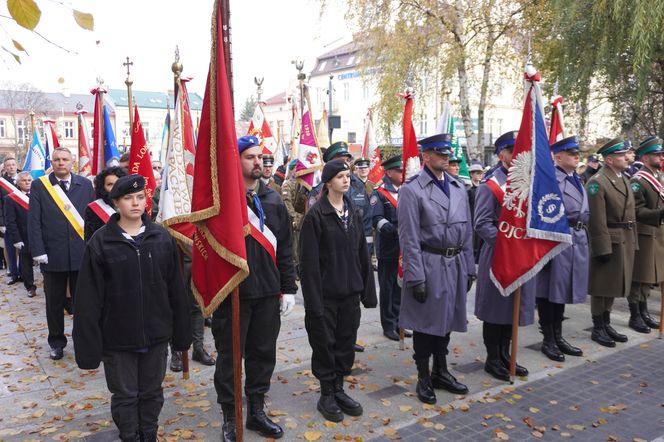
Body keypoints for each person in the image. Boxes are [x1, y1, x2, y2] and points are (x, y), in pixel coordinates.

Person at [73, 175, 192, 442]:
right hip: (118, 339)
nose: (135, 203)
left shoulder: (161, 238)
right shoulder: (101, 243)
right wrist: (89, 345)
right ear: (116, 202)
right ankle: (130, 435)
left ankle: (148, 434)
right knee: (125, 396)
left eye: (140, 197)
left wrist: (182, 334)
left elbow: (175, 290)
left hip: (156, 334)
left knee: (152, 393)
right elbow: (89, 299)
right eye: (128, 198)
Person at [212, 136, 297, 442]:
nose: (258, 162)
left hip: (266, 294)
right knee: (230, 358)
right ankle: (230, 415)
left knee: (263, 355)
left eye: (260, 157)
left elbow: (285, 247)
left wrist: (288, 288)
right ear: (235, 160)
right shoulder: (222, 201)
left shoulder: (273, 199)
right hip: (233, 294)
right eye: (249, 157)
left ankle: (256, 411)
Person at [300, 159, 377, 422]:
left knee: (345, 344)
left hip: (350, 294)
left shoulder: (353, 211)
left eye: (348, 175)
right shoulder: (316, 215)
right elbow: (308, 265)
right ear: (328, 181)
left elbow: (361, 255)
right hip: (325, 296)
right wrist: (313, 304)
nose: (346, 180)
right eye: (340, 176)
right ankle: (326, 394)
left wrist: (368, 291)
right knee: (325, 344)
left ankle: (339, 389)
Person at [398, 134, 473, 404]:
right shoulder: (412, 189)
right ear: (426, 156)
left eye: (448, 154)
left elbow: (467, 229)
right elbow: (409, 237)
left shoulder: (457, 187)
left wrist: (470, 267)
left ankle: (441, 371)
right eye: (440, 154)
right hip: (429, 264)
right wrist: (416, 276)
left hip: (454, 265)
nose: (446, 158)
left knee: (447, 321)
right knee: (425, 324)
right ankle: (423, 377)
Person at [474, 131, 536, 382]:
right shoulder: (491, 185)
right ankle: (493, 359)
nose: (518, 155)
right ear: (502, 155)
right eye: (512, 151)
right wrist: (507, 244)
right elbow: (481, 223)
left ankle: (506, 355)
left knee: (512, 308)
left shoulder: (528, 182)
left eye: (521, 151)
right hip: (498, 255)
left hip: (520, 256)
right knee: (496, 310)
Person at [28, 147, 95, 360]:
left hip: (80, 253)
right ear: (52, 162)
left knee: (83, 302)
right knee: (54, 303)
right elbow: (34, 221)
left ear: (72, 161)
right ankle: (56, 342)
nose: (60, 163)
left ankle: (84, 342)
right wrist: (38, 251)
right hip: (53, 253)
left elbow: (92, 219)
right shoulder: (40, 185)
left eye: (65, 159)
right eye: (56, 159)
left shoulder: (85, 185)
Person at [536, 136, 587, 361]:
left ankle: (558, 336)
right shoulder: (552, 180)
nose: (577, 156)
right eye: (571, 153)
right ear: (557, 157)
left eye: (577, 153)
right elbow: (543, 214)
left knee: (563, 290)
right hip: (557, 239)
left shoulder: (576, 179)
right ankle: (548, 339)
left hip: (576, 239)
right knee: (549, 293)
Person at [586, 138, 636, 347]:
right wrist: (602, 247)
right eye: (621, 155)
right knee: (601, 286)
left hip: (624, 238)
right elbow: (596, 219)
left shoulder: (623, 178)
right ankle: (598, 326)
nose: (627, 157)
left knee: (615, 284)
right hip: (609, 239)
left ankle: (606, 323)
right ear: (609, 159)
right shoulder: (597, 182)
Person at [627, 136, 664, 333]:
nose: (661, 157)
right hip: (644, 234)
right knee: (639, 277)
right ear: (646, 157)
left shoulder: (659, 177)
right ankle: (635, 315)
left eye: (660, 154)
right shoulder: (638, 180)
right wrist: (659, 214)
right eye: (657, 154)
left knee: (650, 278)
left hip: (658, 234)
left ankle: (644, 311)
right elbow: (637, 210)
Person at [371, 155, 406, 341]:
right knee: (388, 288)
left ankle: (401, 321)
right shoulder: (379, 193)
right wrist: (395, 231)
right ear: (389, 172)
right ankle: (389, 325)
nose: (402, 173)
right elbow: (376, 219)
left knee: (401, 287)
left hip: (405, 249)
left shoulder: (406, 190)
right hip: (389, 249)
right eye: (399, 171)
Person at [4, 171, 36, 297]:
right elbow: (10, 221)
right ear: (17, 183)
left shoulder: (38, 195)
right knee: (26, 263)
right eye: (24, 180)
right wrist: (16, 239)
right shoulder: (11, 198)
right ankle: (30, 287)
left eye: (29, 180)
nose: (27, 182)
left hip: (39, 234)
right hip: (23, 236)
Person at [85, 166, 127, 241]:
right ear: (102, 187)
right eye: (110, 184)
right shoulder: (93, 209)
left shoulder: (134, 205)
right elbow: (90, 240)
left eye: (118, 183)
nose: (114, 187)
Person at [0, 156, 21, 284]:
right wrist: (1, 222)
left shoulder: (25, 178)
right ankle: (12, 271)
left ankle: (23, 271)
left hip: (23, 219)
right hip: (8, 220)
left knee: (23, 248)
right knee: (9, 247)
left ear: (16, 165)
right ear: (5, 167)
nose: (11, 167)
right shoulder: (2, 182)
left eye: (13, 164)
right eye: (8, 165)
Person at [467, 161, 484, 263]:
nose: (479, 175)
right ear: (471, 174)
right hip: (472, 218)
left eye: (480, 173)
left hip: (481, 218)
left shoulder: (484, 188)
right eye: (476, 173)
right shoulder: (468, 190)